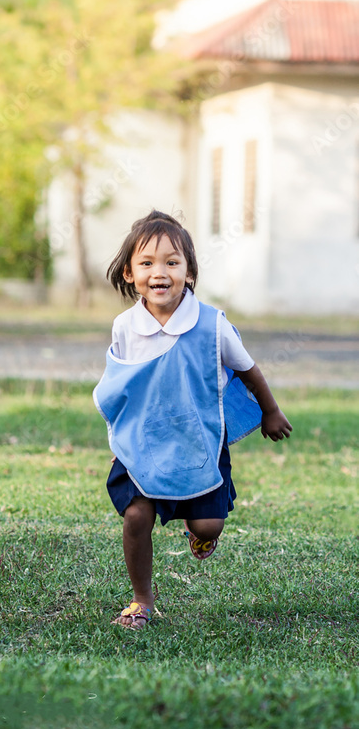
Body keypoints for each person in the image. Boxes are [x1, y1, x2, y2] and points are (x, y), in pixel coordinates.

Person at [93, 209, 292, 630]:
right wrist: (120, 440)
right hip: (144, 442)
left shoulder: (212, 325)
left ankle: (196, 528)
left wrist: (271, 411)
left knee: (209, 524)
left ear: (189, 272)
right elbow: (122, 388)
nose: (159, 272)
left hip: (198, 440)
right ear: (129, 273)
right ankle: (141, 600)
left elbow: (248, 369)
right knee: (136, 516)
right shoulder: (124, 327)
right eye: (146, 263)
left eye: (172, 262)